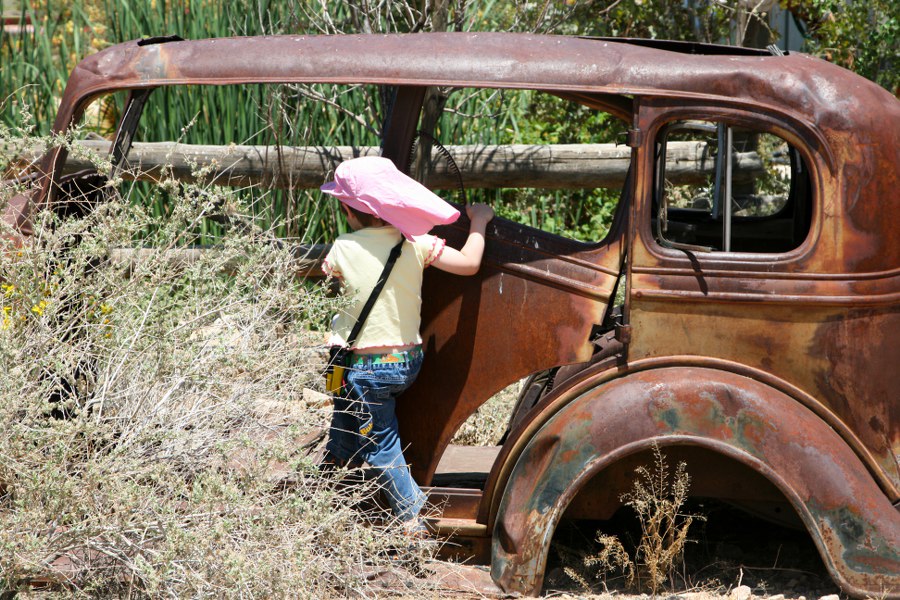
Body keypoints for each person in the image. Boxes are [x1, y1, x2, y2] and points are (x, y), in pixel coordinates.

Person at [319, 156, 494, 530]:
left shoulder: (342, 249)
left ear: (349, 210)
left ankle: (413, 517)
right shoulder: (417, 243)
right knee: (347, 419)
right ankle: (326, 484)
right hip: (404, 363)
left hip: (360, 368)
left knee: (380, 444)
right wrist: (478, 221)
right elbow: (469, 264)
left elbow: (333, 287)